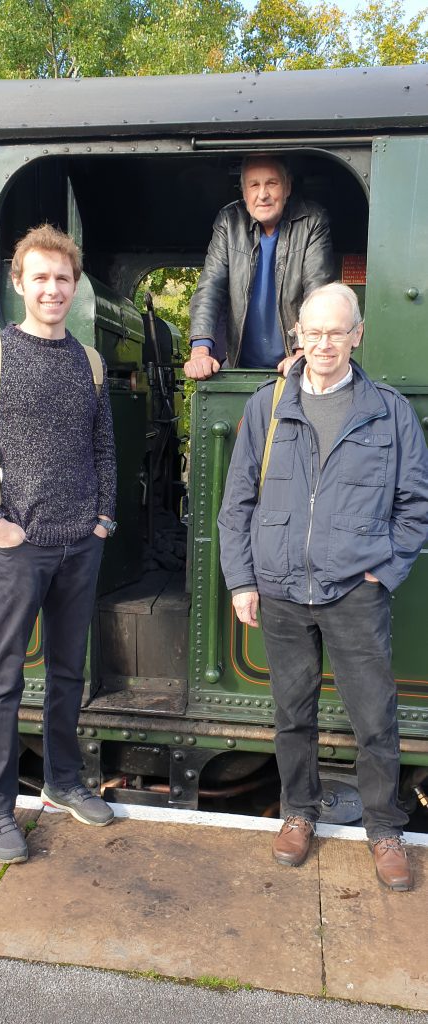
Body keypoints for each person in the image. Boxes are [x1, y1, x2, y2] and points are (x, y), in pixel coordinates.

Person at [218, 282, 428, 891]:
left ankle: (386, 829)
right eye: (313, 332)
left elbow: (416, 508)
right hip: (281, 590)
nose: (324, 343)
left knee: (375, 719)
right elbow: (238, 504)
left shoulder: (388, 410)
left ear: (357, 335)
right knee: (292, 715)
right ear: (298, 336)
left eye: (337, 331)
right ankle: (297, 813)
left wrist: (381, 571)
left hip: (354, 592)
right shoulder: (268, 404)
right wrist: (242, 582)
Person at [0, 224, 117, 864]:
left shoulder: (89, 361)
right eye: (39, 277)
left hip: (80, 544)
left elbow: (104, 448)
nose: (52, 288)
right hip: (18, 546)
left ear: (74, 288)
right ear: (19, 283)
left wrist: (104, 518)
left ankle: (63, 780)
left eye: (62, 279)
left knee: (70, 673)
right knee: (3, 678)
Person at [184, 154, 335, 380]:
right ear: (244, 193)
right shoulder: (228, 221)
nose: (262, 195)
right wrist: (200, 351)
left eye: (271, 183)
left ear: (287, 187)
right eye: (254, 185)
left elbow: (317, 293)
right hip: (238, 365)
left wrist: (303, 352)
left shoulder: (312, 220)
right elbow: (210, 288)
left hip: (294, 366)